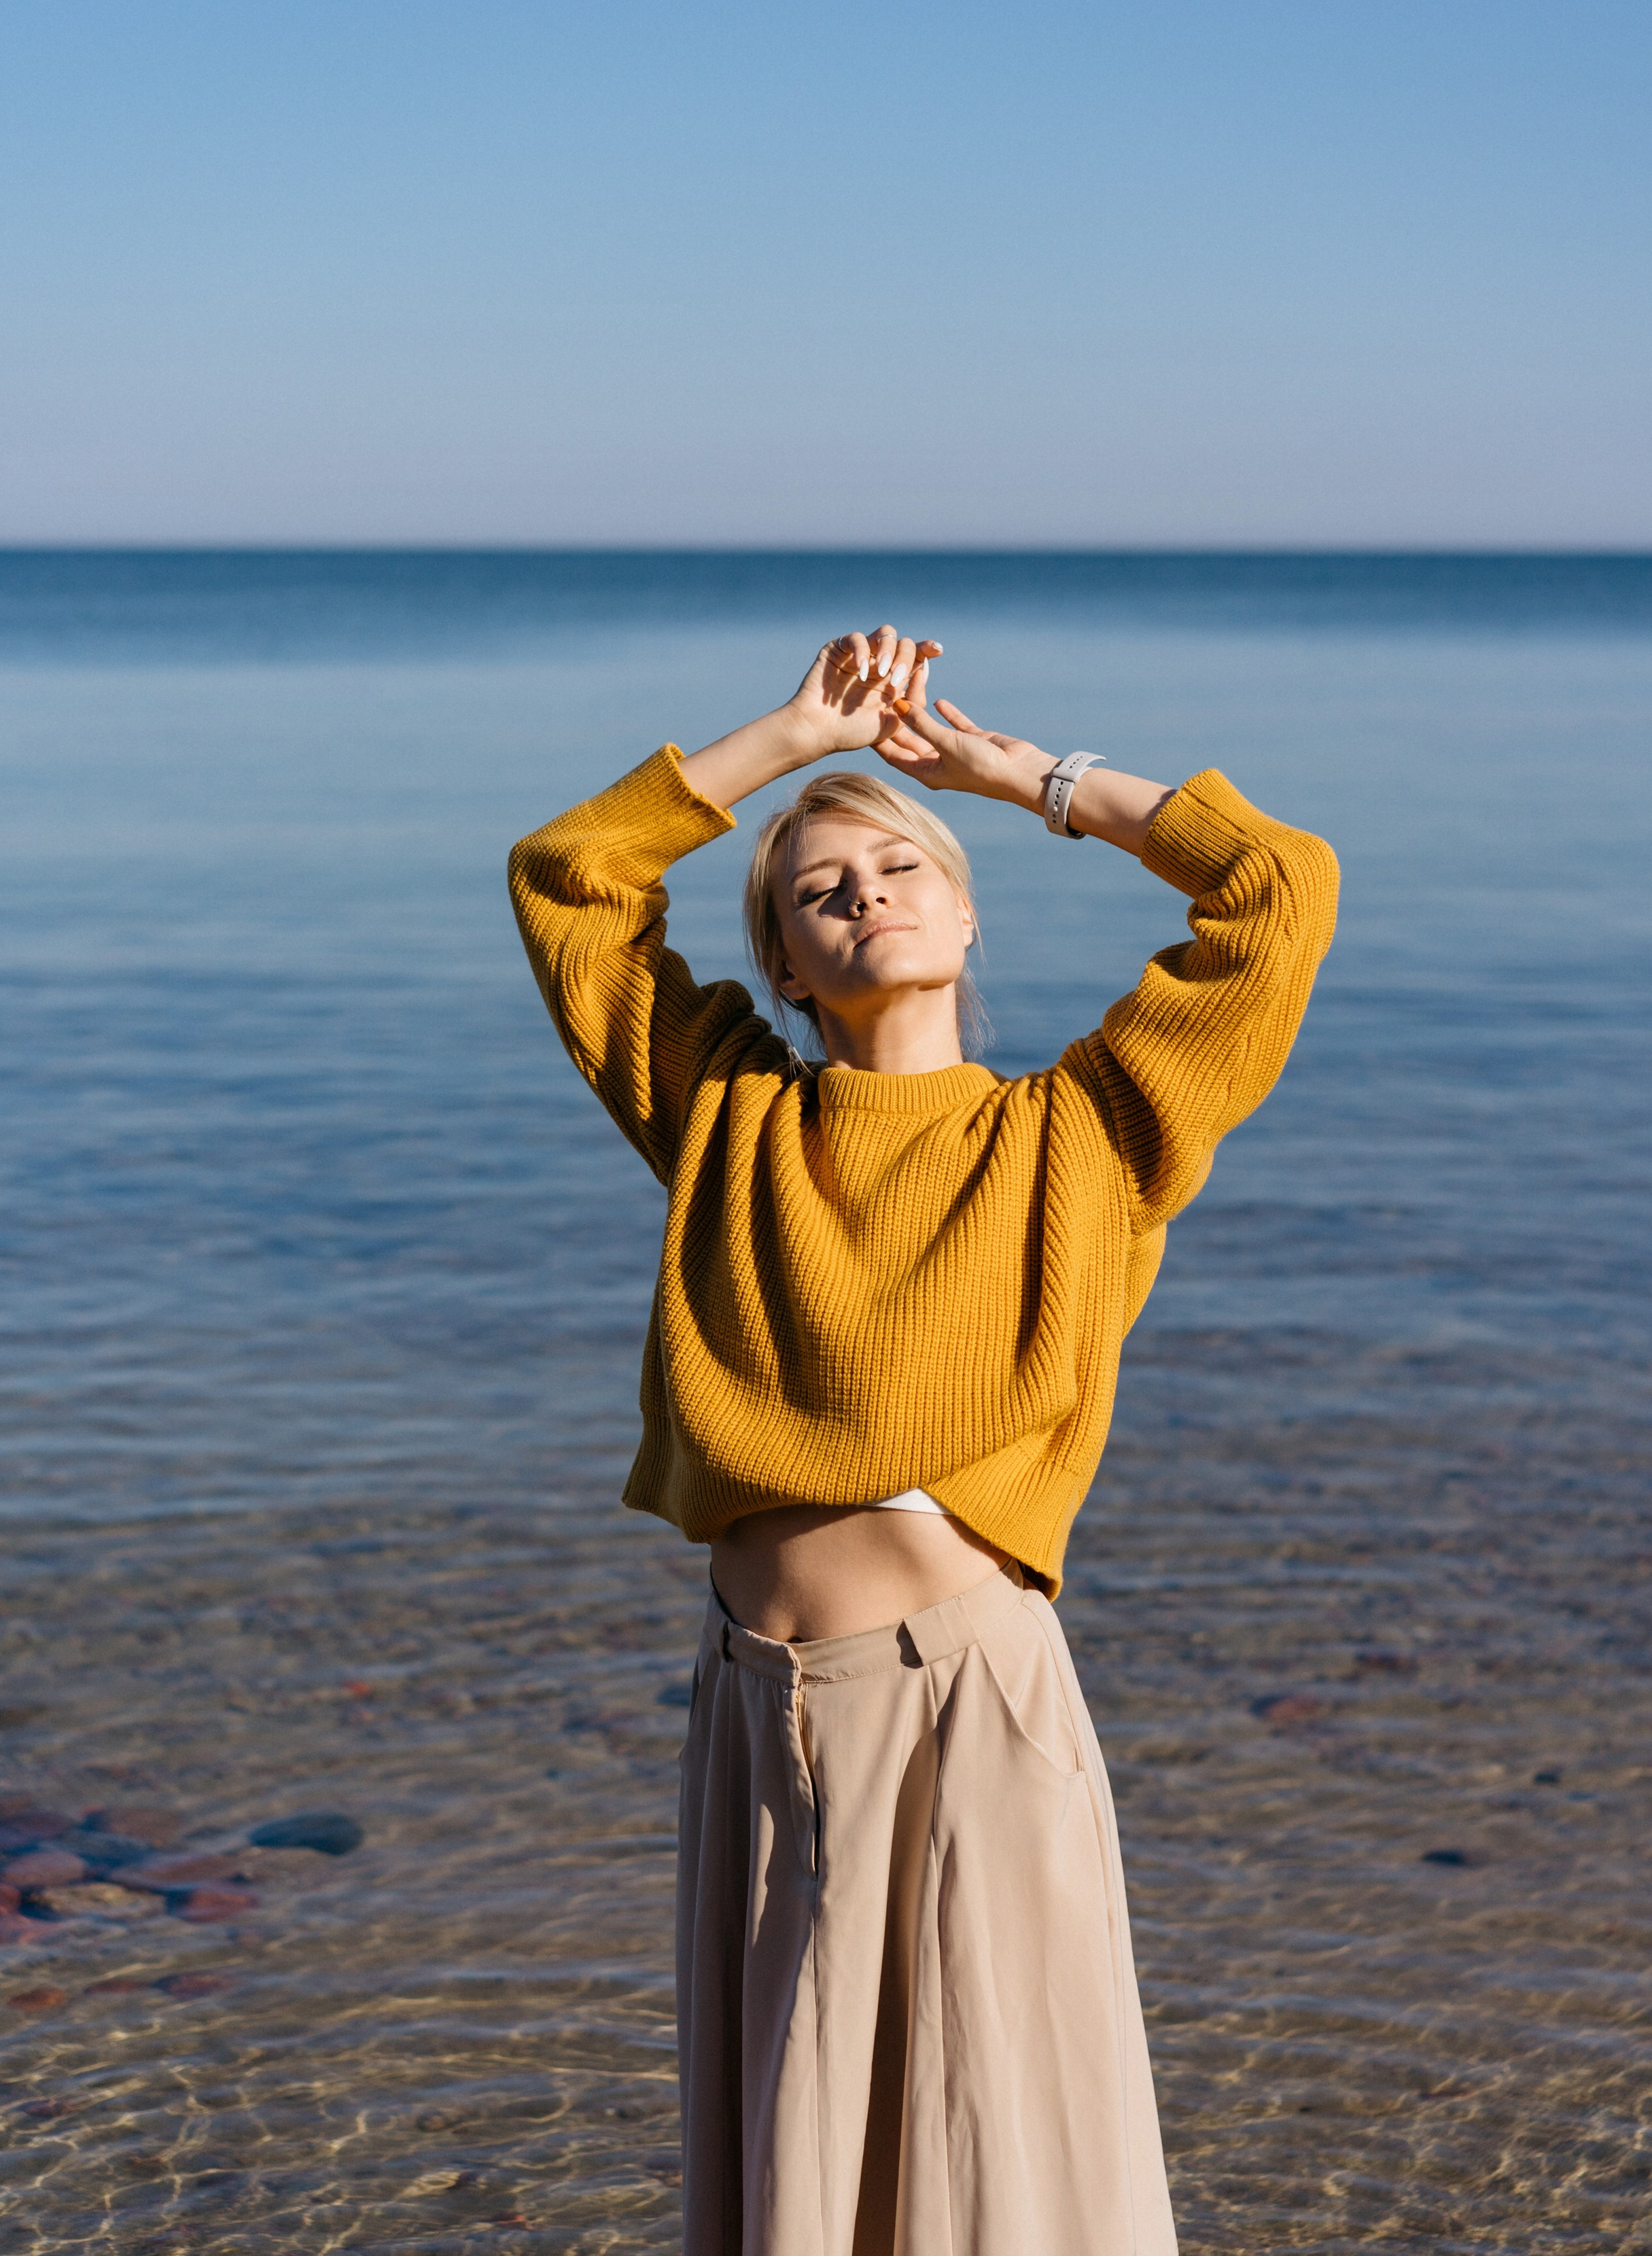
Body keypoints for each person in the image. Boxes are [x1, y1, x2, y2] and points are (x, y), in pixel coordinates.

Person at [508, 625, 1339, 2256]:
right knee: (798, 2172)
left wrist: (1022, 776)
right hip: (753, 1704)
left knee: (996, 2157)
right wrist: (786, 737)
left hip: (961, 1692)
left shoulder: (1086, 1133)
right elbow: (570, 876)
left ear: (963, 918)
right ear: (788, 971)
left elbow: (1276, 889)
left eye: (899, 866)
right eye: (821, 892)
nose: (867, 893)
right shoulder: (726, 1115)